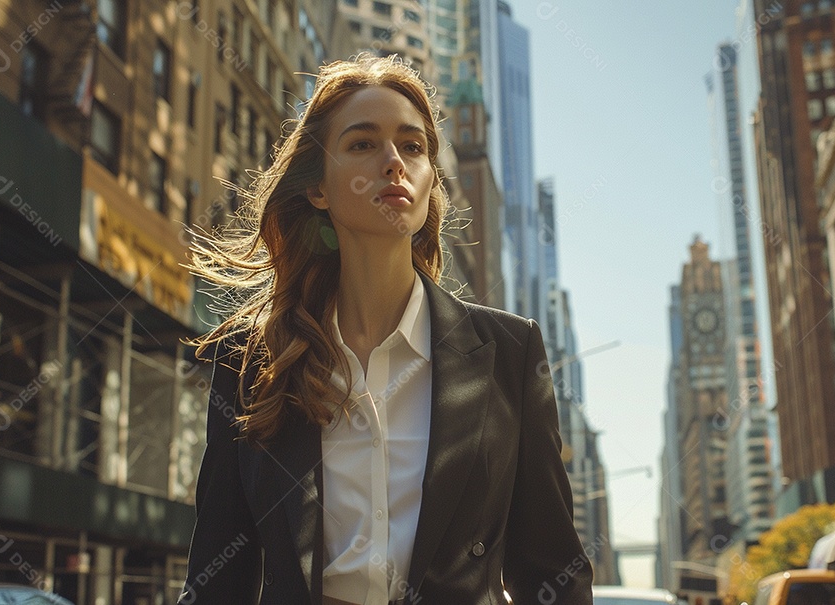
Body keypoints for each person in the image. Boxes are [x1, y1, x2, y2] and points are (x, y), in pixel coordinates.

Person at [179, 54, 592, 605]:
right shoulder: (251, 359)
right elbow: (216, 580)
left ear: (428, 183)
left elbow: (552, 573)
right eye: (362, 144)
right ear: (318, 188)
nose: (394, 161)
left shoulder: (510, 354)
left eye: (413, 145)